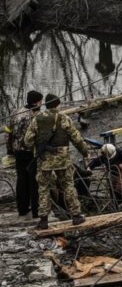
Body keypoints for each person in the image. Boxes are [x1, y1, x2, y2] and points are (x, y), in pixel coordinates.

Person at [24, 93, 91, 229]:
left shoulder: (37, 120)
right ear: (57, 105)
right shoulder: (64, 118)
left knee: (43, 188)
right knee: (68, 186)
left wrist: (38, 147)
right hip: (63, 159)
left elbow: (27, 141)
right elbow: (76, 139)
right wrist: (85, 151)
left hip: (45, 161)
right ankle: (76, 216)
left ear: (46, 105)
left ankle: (43, 220)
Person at [5, 90, 42, 218]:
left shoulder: (16, 112)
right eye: (40, 101)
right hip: (30, 152)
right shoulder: (35, 115)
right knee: (33, 181)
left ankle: (22, 209)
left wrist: (9, 149)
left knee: (21, 180)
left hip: (17, 152)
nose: (41, 103)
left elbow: (8, 131)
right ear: (36, 102)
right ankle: (36, 211)